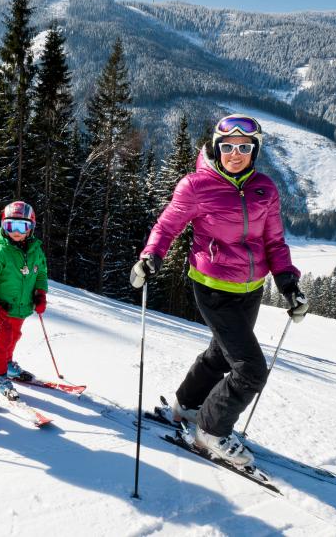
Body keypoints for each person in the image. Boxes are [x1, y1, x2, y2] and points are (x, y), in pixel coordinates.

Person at [131, 114, 309, 467]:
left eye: (244, 147)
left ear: (254, 150)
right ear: (217, 147)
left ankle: (187, 407)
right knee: (251, 369)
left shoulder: (265, 189)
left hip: (251, 288)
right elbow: (167, 226)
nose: (235, 153)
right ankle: (211, 431)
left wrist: (287, 283)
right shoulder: (196, 186)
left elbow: (274, 241)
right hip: (212, 286)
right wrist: (151, 256)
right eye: (228, 146)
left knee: (221, 354)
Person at [0, 201, 49, 400]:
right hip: (2, 306)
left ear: (31, 228)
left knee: (14, 336)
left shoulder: (36, 250)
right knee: (0, 340)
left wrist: (40, 293)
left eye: (22, 226)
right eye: (11, 226)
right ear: (3, 226)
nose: (16, 232)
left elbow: (41, 273)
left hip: (22, 305)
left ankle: (6, 363)